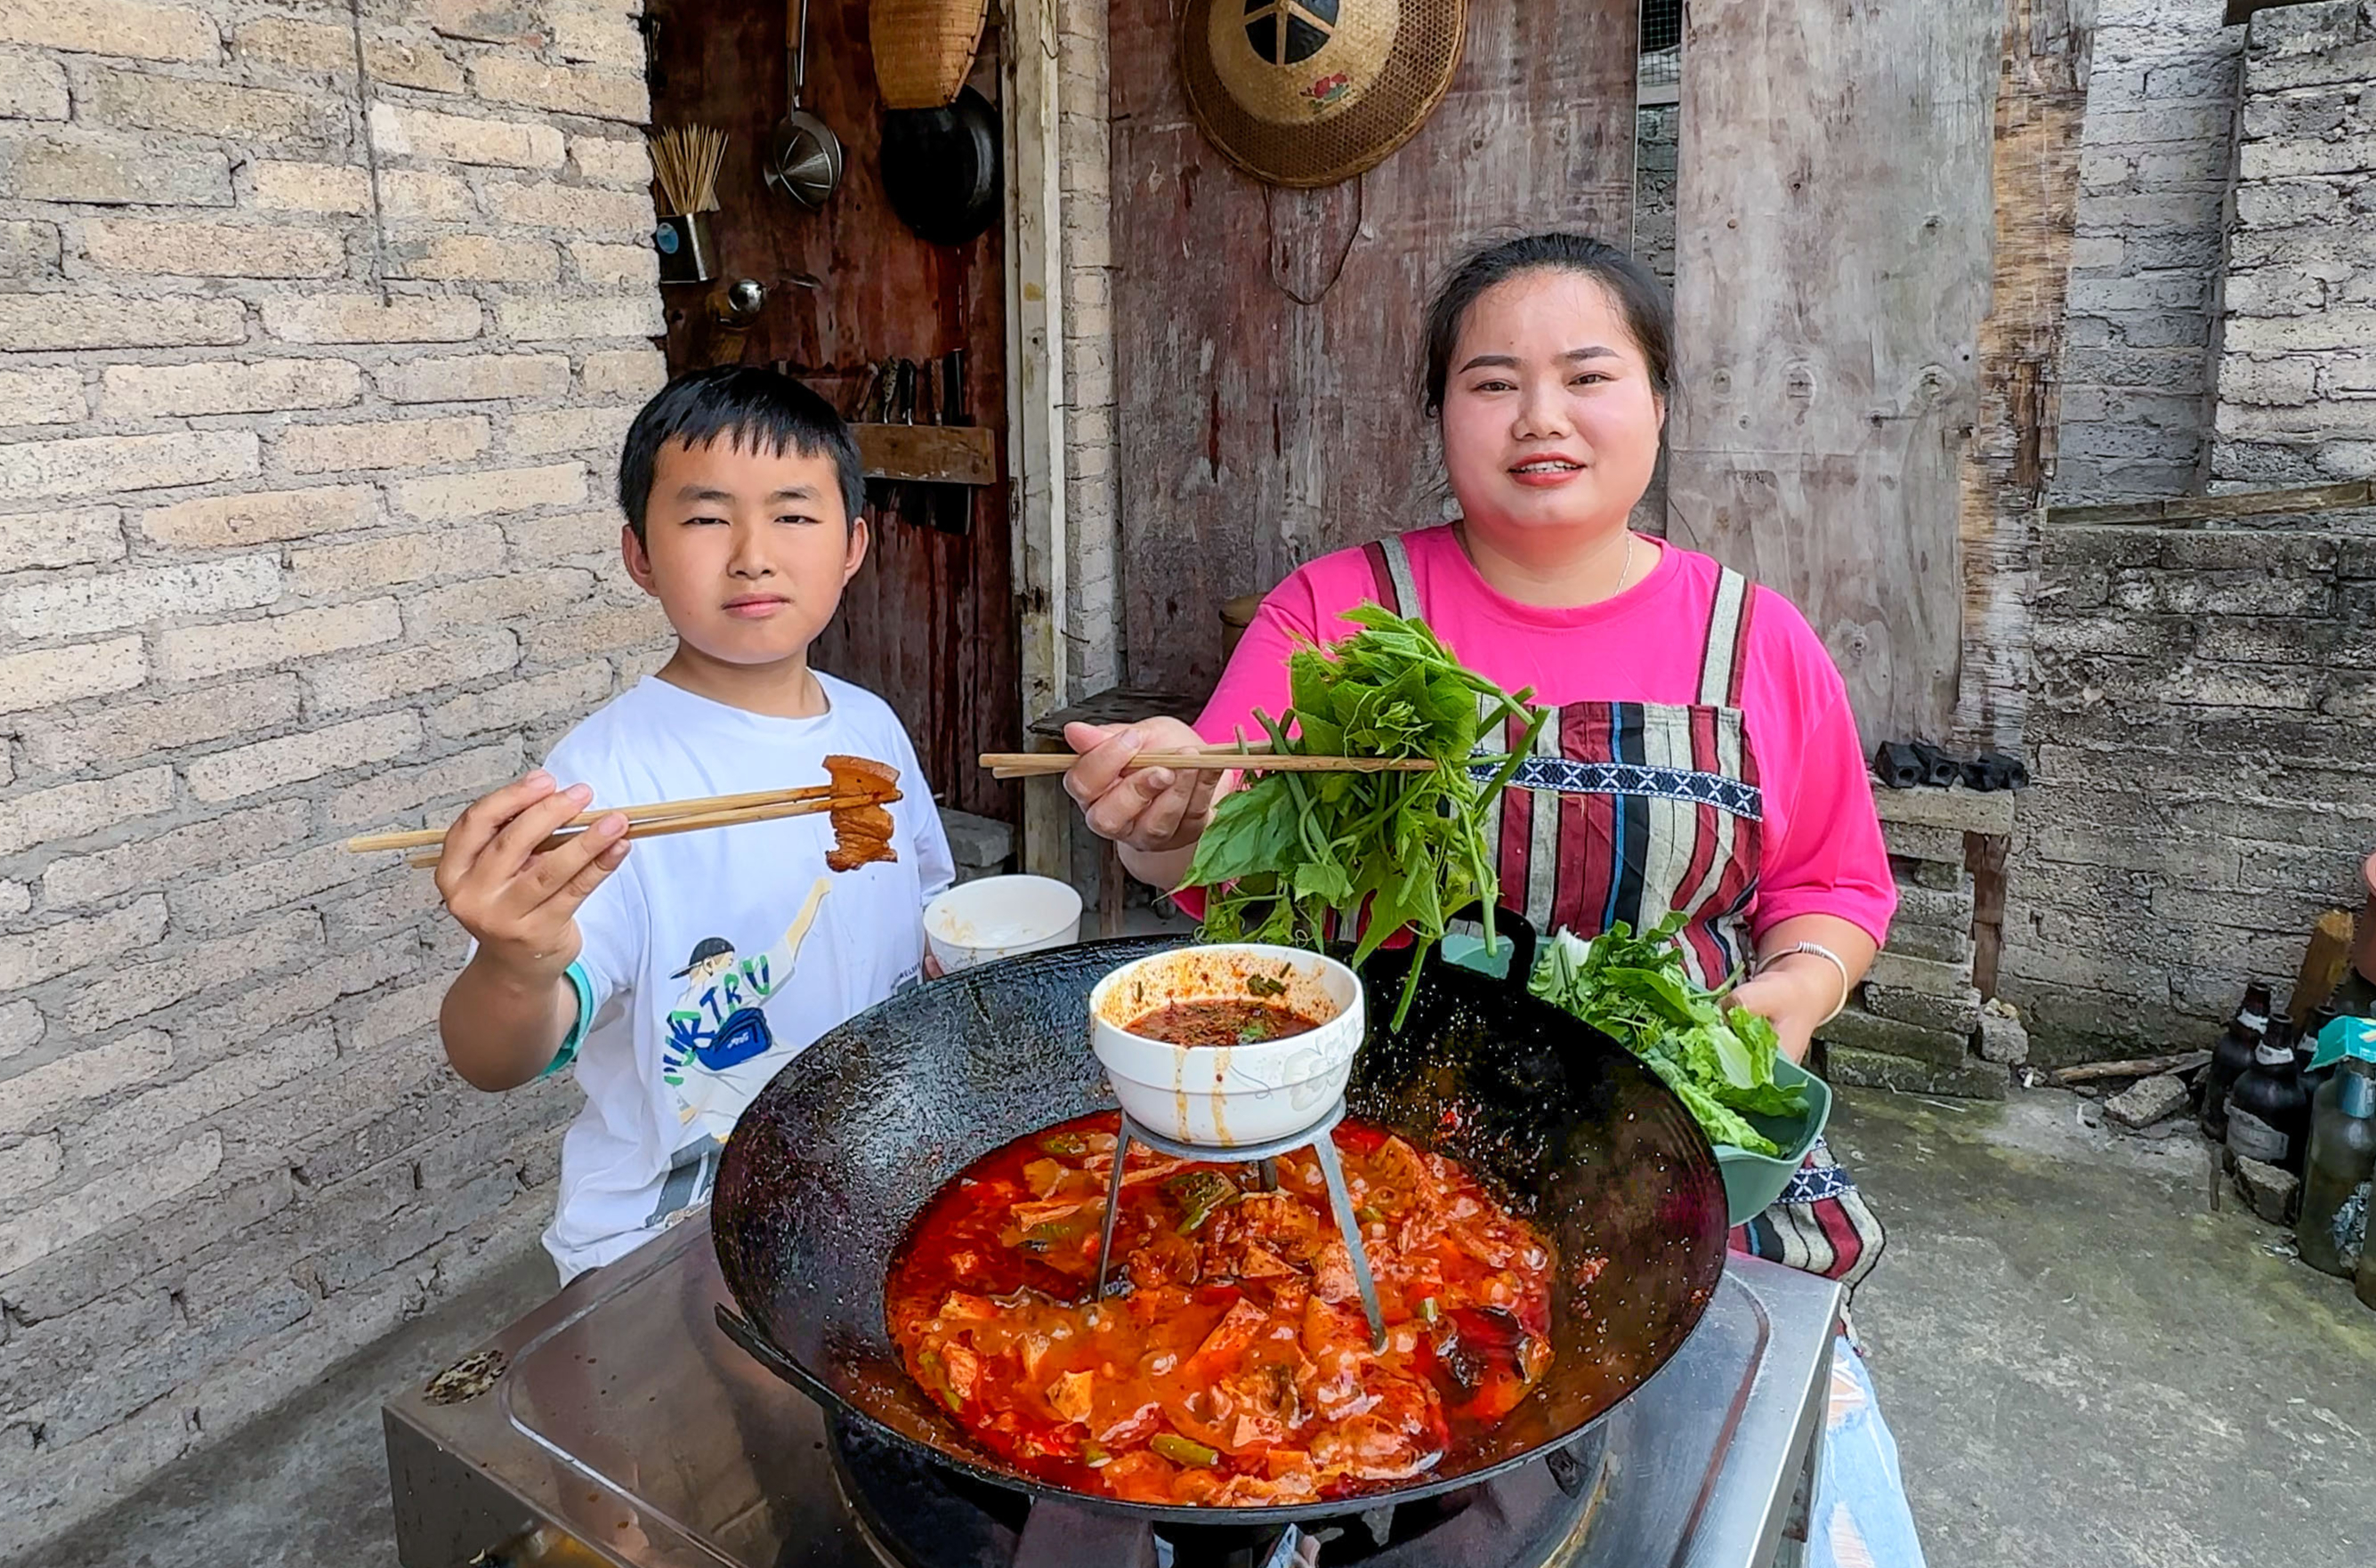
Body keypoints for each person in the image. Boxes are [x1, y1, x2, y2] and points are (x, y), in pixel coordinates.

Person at [1061, 232, 1925, 1564]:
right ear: (1438, 414)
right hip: (1366, 1146)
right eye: (1489, 382)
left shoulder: (1755, 641)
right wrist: (1163, 831)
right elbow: (1217, 869)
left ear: (1657, 400)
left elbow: (1831, 885)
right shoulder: (1339, 613)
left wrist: (1779, 1006)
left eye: (1588, 375)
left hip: (1671, 1135)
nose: (1541, 419)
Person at [430, 367, 954, 1285]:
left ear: (853, 544)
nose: (753, 553)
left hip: (864, 1198)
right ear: (639, 554)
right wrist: (512, 961)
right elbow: (492, 1057)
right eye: (707, 518)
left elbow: (924, 924)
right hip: (673, 1246)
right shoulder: (604, 784)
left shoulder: (870, 731)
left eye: (794, 515)